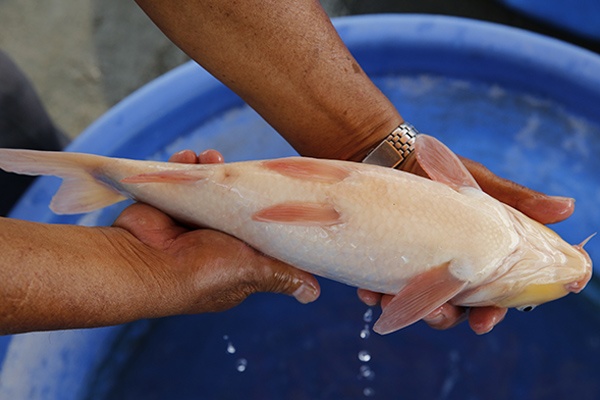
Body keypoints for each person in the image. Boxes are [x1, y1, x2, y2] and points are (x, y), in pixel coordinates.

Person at [0, 0, 575, 336]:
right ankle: (85, 175)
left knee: (15, 127)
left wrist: (366, 143)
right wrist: (138, 273)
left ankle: (79, 174)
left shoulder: (478, 247)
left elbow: (421, 172)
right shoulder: (479, 249)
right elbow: (395, 315)